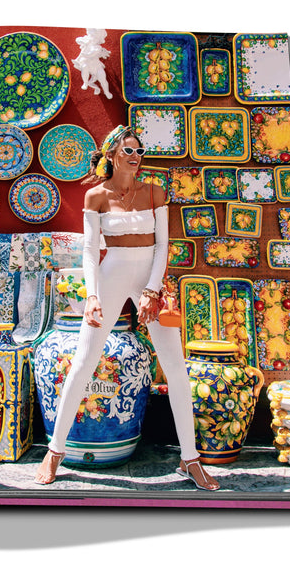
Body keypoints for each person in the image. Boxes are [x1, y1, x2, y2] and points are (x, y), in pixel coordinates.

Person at [34, 125, 219, 490]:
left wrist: (152, 289)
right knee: (83, 362)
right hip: (112, 274)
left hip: (152, 278)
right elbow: (90, 250)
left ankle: (190, 459)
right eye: (128, 151)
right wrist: (92, 296)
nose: (135, 157)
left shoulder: (154, 192)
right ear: (112, 155)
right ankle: (54, 452)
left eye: (139, 151)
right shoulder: (96, 196)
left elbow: (163, 245)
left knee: (175, 366)